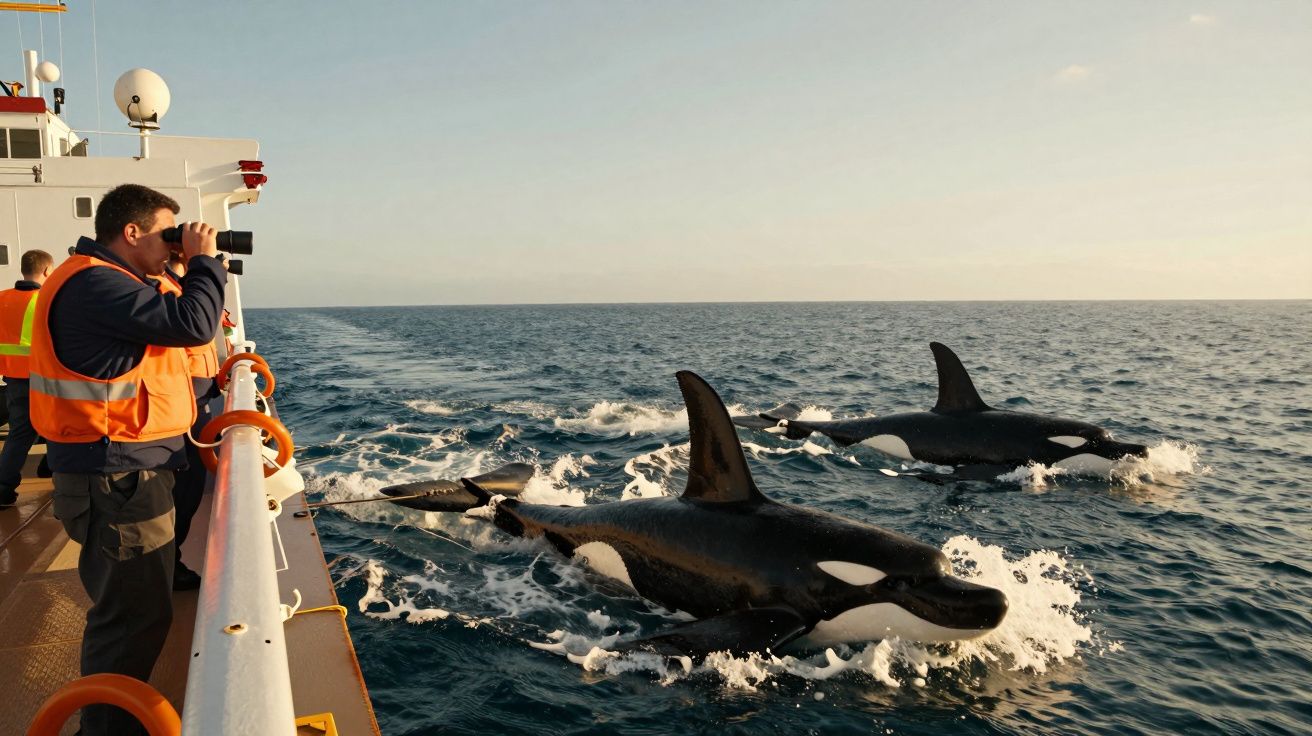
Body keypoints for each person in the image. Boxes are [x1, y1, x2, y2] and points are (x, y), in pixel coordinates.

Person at [29, 183, 226, 736]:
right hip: (116, 478)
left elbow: (180, 321)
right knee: (130, 619)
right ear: (132, 232)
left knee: (135, 613)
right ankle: (108, 729)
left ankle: (111, 721)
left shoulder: (110, 281)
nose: (174, 244)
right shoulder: (95, 284)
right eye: (167, 232)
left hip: (123, 470)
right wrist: (205, 262)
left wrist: (190, 265)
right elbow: (192, 324)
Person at [160, 253, 221, 590]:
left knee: (190, 488)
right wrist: (205, 267)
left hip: (194, 405)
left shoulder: (177, 288)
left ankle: (169, 560)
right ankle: (167, 566)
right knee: (182, 491)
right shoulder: (168, 290)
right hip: (182, 409)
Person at [0, 249, 54, 508]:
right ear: (46, 271)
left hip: (13, 377)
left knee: (19, 433)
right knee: (56, 427)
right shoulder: (46, 299)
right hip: (43, 377)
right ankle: (51, 468)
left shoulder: (2, 299)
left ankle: (3, 487)